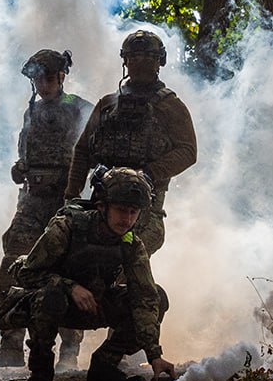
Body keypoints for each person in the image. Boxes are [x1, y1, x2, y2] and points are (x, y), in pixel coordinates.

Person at [2, 167, 174, 381]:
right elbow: (26, 273)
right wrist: (69, 287)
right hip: (51, 305)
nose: (127, 219)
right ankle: (41, 370)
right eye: (121, 210)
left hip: (95, 304)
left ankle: (103, 368)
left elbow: (145, 297)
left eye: (133, 212)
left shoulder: (130, 243)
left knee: (156, 297)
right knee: (51, 297)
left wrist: (155, 356)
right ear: (102, 207)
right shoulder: (66, 227)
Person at [0, 49, 93, 370]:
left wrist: (74, 189)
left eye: (46, 77)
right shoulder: (31, 112)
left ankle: (69, 352)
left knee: (70, 268)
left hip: (65, 202)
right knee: (14, 262)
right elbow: (27, 153)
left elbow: (91, 154)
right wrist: (21, 168)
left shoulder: (80, 109)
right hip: (31, 201)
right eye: (36, 78)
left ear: (61, 76)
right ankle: (12, 344)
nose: (41, 84)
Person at [64, 29, 197, 254]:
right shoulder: (108, 104)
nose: (140, 62)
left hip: (143, 209)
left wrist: (148, 173)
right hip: (102, 204)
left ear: (160, 61)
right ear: (125, 60)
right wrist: (71, 196)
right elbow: (83, 150)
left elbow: (188, 151)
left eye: (148, 57)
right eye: (134, 57)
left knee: (127, 262)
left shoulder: (170, 106)